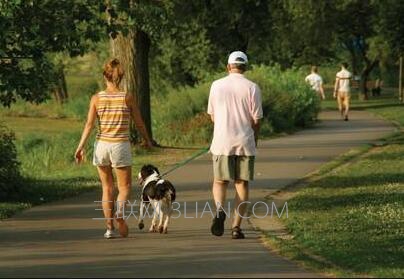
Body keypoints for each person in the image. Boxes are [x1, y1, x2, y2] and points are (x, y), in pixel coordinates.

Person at [74, 58, 154, 239]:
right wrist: (147, 140)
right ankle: (119, 213)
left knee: (106, 188)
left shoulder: (96, 98)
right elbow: (140, 123)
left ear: (105, 76)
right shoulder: (127, 97)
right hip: (120, 145)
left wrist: (80, 147)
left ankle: (109, 227)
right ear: (121, 77)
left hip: (101, 145)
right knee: (124, 188)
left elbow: (88, 125)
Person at [207, 51, 263, 239]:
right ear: (245, 67)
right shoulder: (252, 87)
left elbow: (212, 116)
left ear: (228, 66)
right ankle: (236, 227)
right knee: (241, 183)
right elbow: (256, 120)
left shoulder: (216, 86)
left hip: (222, 142)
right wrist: (255, 138)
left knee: (220, 181)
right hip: (244, 141)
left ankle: (220, 209)